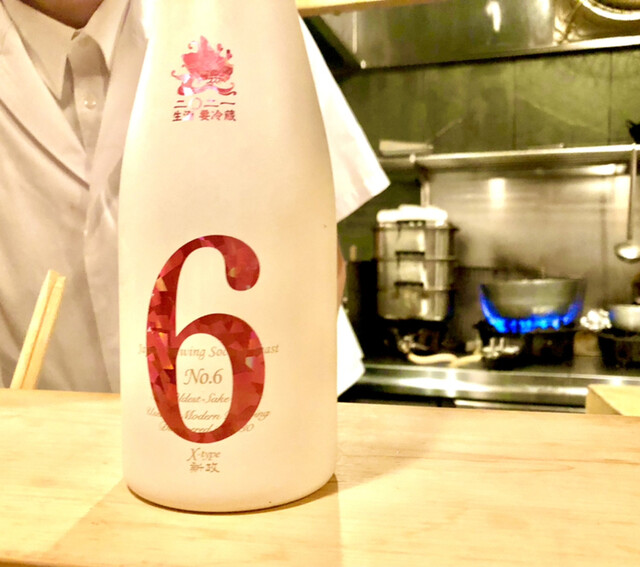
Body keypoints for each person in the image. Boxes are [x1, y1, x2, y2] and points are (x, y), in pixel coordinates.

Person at [0, 0, 389, 393]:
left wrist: (265, 415)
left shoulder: (239, 11)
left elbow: (317, 254)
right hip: (48, 423)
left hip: (281, 403)